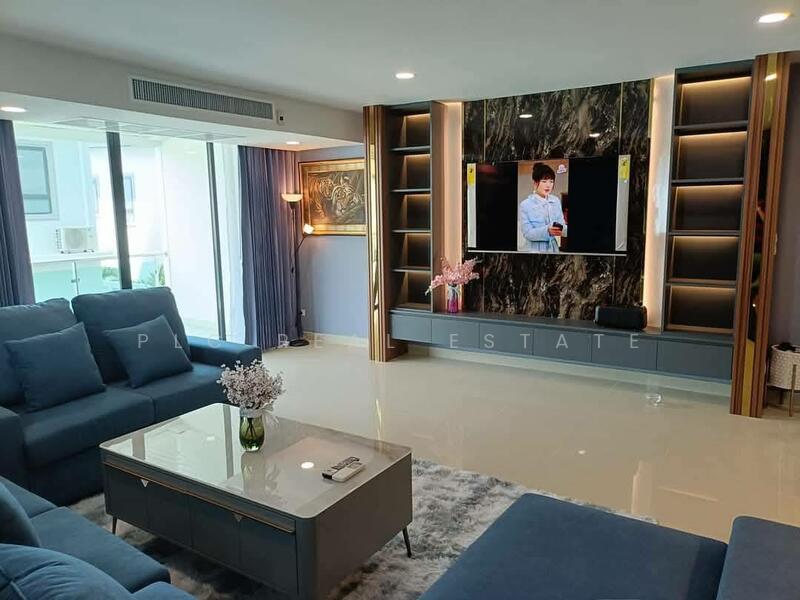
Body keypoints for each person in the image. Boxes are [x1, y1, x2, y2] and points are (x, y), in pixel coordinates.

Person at [519, 162, 567, 253]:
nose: (548, 185)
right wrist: (547, 231)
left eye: (551, 181)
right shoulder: (525, 205)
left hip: (553, 250)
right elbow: (527, 233)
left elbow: (562, 225)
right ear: (535, 183)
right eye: (544, 181)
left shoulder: (555, 201)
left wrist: (564, 230)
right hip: (533, 250)